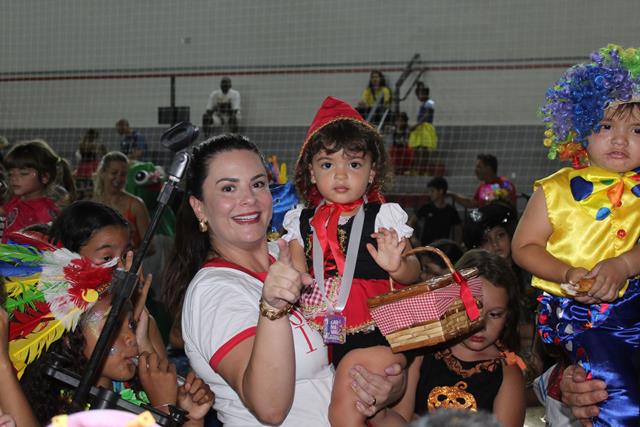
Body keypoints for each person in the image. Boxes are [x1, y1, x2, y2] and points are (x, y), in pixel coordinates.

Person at [162, 133, 407, 427]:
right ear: (199, 207)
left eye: (258, 184)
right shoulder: (213, 291)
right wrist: (272, 308)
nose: (249, 199)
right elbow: (269, 409)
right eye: (228, 188)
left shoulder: (294, 253)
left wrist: (388, 385)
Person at [511, 44, 640, 426]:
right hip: (584, 314)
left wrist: (624, 265)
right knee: (613, 395)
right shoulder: (556, 189)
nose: (620, 140)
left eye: (637, 130)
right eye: (605, 127)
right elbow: (524, 247)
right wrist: (567, 273)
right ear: (581, 129)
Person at [285, 96, 421, 427]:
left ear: (372, 172)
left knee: (344, 416)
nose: (341, 175)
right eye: (327, 165)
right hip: (323, 335)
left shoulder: (384, 216)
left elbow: (414, 274)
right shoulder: (299, 222)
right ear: (311, 172)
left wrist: (397, 265)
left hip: (376, 333)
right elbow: (296, 276)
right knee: (373, 416)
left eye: (354, 165)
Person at [392, 249, 525, 427]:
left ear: (508, 316)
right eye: (471, 309)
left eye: (494, 314)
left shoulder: (508, 374)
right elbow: (398, 421)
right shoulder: (421, 352)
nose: (481, 325)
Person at [0, 139, 75, 242]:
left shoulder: (43, 212)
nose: (14, 178)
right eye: (10, 174)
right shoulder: (17, 199)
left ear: (45, 177)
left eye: (24, 173)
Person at [93, 152, 150, 249]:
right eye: (114, 173)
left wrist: (126, 254)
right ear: (103, 173)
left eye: (123, 174)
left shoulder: (136, 205)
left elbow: (150, 246)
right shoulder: (94, 204)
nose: (119, 178)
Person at [450, 154, 517, 209]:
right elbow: (472, 203)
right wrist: (453, 195)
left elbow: (507, 202)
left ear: (488, 168)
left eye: (479, 167)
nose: (475, 170)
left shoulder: (505, 183)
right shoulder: (482, 186)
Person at [410, 176, 462, 246]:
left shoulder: (451, 211)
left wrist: (457, 244)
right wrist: (413, 238)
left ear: (441, 191)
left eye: (432, 191)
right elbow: (411, 222)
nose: (430, 194)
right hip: (426, 247)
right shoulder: (426, 207)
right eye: (429, 191)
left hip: (443, 248)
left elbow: (458, 229)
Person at [408, 83, 437, 175]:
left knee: (424, 150)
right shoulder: (424, 103)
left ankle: (424, 170)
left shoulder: (430, 102)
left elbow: (427, 114)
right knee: (417, 149)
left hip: (426, 127)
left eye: (419, 94)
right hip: (421, 127)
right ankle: (417, 169)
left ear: (425, 93)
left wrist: (416, 125)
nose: (418, 97)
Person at [75, 129, 107, 200]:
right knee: (90, 187)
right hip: (90, 166)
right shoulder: (95, 145)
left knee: (83, 187)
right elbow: (104, 153)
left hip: (84, 166)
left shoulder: (82, 144)